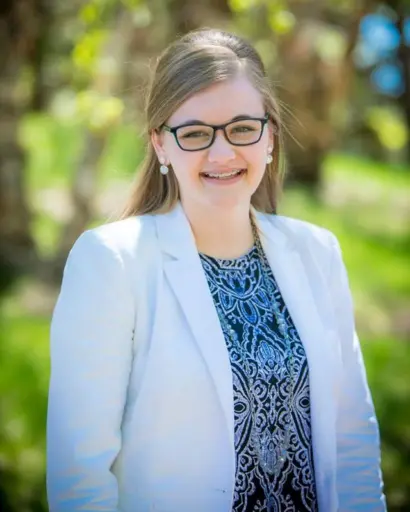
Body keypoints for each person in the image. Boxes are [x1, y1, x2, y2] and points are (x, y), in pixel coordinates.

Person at [46, 28, 386, 512]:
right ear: (160, 145)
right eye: (196, 133)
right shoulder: (112, 262)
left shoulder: (317, 253)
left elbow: (353, 440)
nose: (222, 153)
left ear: (269, 136)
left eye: (243, 128)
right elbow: (79, 477)